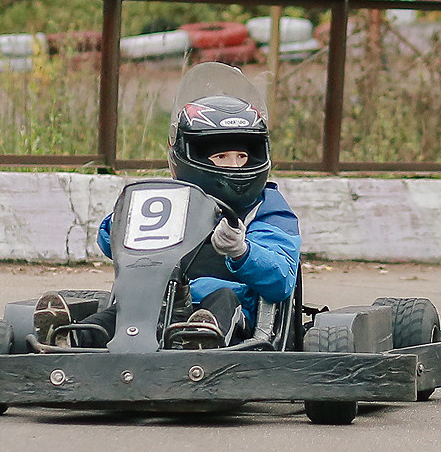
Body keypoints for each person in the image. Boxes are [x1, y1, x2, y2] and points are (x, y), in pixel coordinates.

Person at [38, 89, 300, 350]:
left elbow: (281, 280)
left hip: (235, 314)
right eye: (221, 157)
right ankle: (70, 339)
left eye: (242, 157)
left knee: (223, 298)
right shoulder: (169, 198)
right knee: (124, 311)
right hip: (160, 302)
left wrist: (242, 251)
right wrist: (122, 222)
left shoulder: (267, 208)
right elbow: (109, 242)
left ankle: (201, 340)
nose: (234, 167)